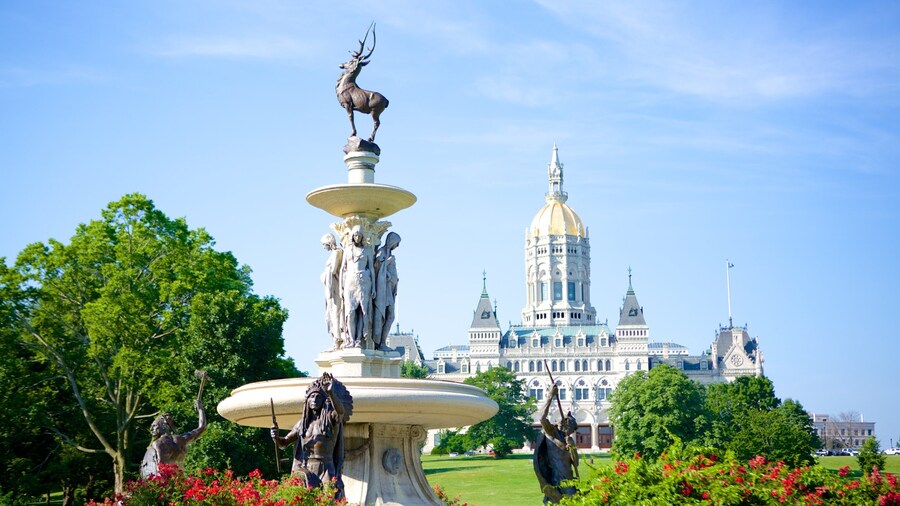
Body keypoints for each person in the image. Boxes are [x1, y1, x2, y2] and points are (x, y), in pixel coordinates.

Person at [271, 373, 352, 500]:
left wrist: (330, 393)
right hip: (307, 468)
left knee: (329, 499)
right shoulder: (302, 424)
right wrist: (275, 437)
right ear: (307, 401)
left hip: (326, 467)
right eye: (311, 397)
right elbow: (283, 443)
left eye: (318, 397)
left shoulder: (330, 420)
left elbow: (340, 412)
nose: (314, 400)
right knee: (306, 499)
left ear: (324, 400)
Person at [533, 384, 578, 503]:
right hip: (557, 480)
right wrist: (550, 396)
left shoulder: (568, 440)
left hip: (569, 480)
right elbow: (542, 418)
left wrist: (572, 448)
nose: (566, 424)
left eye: (570, 425)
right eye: (566, 422)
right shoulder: (552, 433)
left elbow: (576, 463)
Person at [140, 399, 207, 478]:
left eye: (154, 426)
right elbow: (202, 427)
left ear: (164, 425)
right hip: (180, 482)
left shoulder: (157, 443)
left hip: (164, 483)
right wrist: (200, 409)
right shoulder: (182, 439)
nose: (151, 429)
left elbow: (159, 467)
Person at [341, 226, 375, 347]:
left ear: (362, 237)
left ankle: (359, 339)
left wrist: (374, 287)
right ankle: (351, 339)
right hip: (349, 282)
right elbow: (342, 269)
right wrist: (341, 286)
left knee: (362, 312)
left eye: (359, 235)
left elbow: (371, 268)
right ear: (352, 237)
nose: (357, 237)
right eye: (355, 235)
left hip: (364, 282)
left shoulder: (367, 250)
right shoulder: (347, 250)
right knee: (350, 312)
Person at [372, 232, 400, 349]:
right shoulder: (382, 252)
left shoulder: (388, 253)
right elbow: (376, 267)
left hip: (389, 290)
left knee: (391, 316)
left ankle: (382, 341)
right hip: (382, 290)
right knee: (382, 315)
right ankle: (379, 342)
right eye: (397, 243)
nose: (397, 246)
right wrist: (388, 267)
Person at [321, 233, 343, 349]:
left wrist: (324, 274)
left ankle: (337, 340)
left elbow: (334, 269)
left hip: (335, 286)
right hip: (331, 286)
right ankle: (336, 339)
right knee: (330, 313)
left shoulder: (337, 252)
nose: (323, 246)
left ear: (329, 242)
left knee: (335, 313)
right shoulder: (336, 252)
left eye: (324, 244)